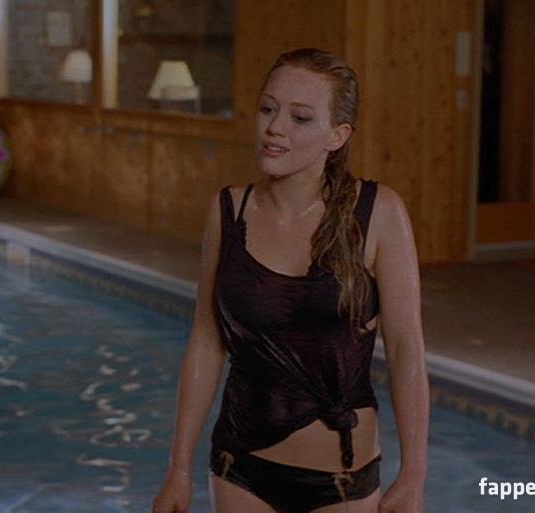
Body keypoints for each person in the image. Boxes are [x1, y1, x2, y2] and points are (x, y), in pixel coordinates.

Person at [152, 48, 429, 513]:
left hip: (340, 482)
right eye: (267, 109)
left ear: (337, 135)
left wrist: (414, 473)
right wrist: (179, 467)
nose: (274, 127)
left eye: (300, 118)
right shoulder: (228, 211)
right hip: (238, 467)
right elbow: (206, 339)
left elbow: (406, 350)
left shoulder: (378, 213)